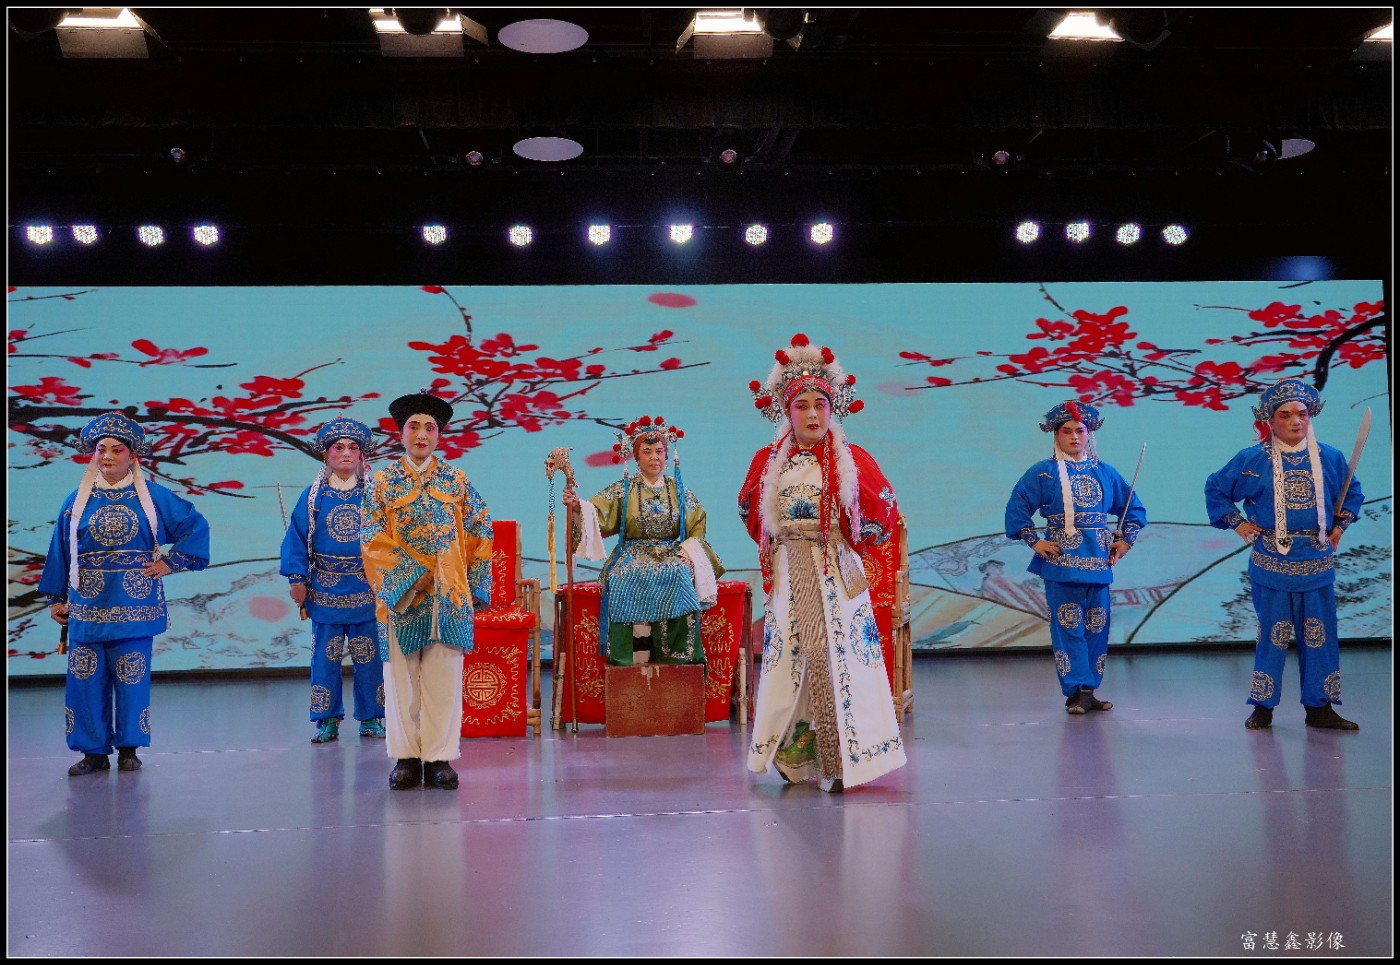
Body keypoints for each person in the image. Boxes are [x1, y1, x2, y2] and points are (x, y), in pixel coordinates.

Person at [738, 333, 906, 793]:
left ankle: (846, 756)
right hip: (790, 570)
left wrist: (846, 533)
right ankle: (797, 753)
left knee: (839, 655)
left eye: (820, 405)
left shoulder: (853, 460)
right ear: (786, 411)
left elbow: (883, 508)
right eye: (802, 406)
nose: (812, 415)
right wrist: (787, 540)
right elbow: (750, 511)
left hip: (833, 568)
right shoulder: (769, 462)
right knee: (794, 656)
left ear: (833, 409)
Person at [37, 411, 211, 776]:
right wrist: (55, 598)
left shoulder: (154, 498)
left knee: (132, 678)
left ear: (133, 456)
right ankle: (93, 753)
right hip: (87, 607)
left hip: (135, 605)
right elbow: (60, 551)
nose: (108, 456)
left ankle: (129, 748)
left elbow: (195, 527)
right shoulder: (76, 501)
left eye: (117, 450)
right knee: (85, 681)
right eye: (102, 449)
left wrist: (171, 562)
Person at [1204, 378, 1364, 731]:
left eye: (1302, 414)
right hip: (1271, 562)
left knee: (1319, 636)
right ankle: (1263, 706)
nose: (1296, 421)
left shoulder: (1330, 457)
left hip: (1317, 562)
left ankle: (1320, 707)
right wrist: (1238, 523)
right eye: (1286, 414)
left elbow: (1352, 495)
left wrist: (1339, 528)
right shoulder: (1252, 459)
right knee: (1272, 635)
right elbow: (1216, 488)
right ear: (1271, 420)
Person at [360, 391, 493, 790]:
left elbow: (480, 529)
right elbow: (370, 535)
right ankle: (405, 758)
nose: (421, 435)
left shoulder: (457, 480)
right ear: (400, 434)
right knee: (400, 680)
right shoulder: (381, 482)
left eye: (430, 428)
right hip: (402, 597)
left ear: (439, 435)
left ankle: (439, 757)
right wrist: (408, 574)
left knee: (443, 678)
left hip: (449, 596)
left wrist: (472, 584)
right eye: (413, 427)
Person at [1004, 401, 1146, 715]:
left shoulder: (1104, 471)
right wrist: (1034, 541)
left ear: (1089, 433)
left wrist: (1125, 541)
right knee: (1068, 626)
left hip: (1098, 562)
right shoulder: (1042, 472)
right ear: (1056, 434)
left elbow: (1133, 509)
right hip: (1061, 563)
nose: (1074, 437)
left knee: (1097, 627)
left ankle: (1089, 690)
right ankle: (1076, 690)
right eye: (1066, 431)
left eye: (1080, 431)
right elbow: (1017, 508)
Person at [563, 415, 723, 666]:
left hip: (672, 553)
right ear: (636, 458)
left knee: (679, 573)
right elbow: (596, 512)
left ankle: (677, 656)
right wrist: (576, 506)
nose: (654, 457)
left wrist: (688, 551)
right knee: (622, 577)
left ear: (667, 456)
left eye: (659, 451)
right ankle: (626, 657)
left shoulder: (679, 491)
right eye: (647, 452)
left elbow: (697, 526)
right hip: (633, 553)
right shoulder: (624, 489)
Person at [280, 417, 386, 744]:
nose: (346, 453)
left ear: (362, 455)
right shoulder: (313, 498)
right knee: (325, 659)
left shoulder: (374, 495)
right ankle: (327, 719)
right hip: (324, 590)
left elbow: (388, 541)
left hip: (366, 589)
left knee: (369, 657)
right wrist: (297, 579)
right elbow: (296, 539)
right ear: (326, 454)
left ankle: (371, 717)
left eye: (353, 447)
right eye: (338, 447)